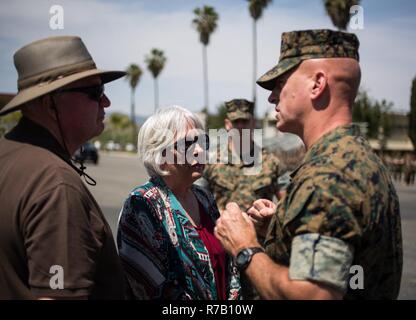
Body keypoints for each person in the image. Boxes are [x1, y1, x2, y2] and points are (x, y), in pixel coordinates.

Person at [214, 29, 403, 300]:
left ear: (317, 84)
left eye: (280, 84)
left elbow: (310, 295)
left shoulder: (329, 175)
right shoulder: (356, 157)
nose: (272, 98)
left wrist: (245, 247)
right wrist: (280, 230)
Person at [0, 36, 126, 299]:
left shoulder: (11, 153)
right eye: (95, 93)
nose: (106, 103)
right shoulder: (55, 184)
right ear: (50, 105)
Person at [117, 106, 241, 300]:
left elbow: (229, 268)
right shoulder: (142, 204)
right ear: (160, 152)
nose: (200, 150)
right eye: (188, 144)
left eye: (203, 141)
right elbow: (152, 287)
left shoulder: (204, 198)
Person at [196, 98, 280, 299]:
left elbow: (284, 205)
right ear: (227, 125)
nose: (240, 127)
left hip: (257, 254)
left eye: (245, 121)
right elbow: (196, 205)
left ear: (254, 123)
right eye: (236, 122)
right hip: (220, 252)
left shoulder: (271, 162)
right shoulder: (211, 161)